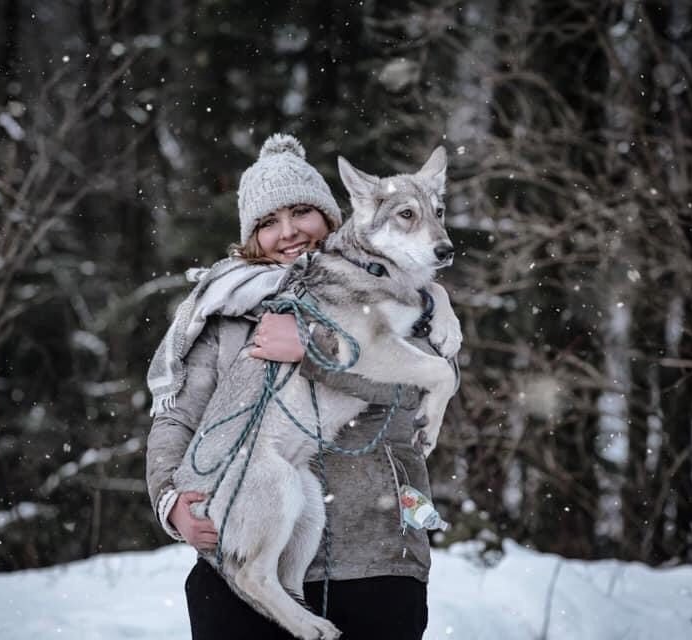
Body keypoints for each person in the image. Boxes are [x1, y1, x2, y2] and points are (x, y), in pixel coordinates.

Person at [145, 134, 459, 639]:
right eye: (269, 223)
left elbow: (418, 389)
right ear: (251, 236)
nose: (288, 233)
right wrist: (170, 500)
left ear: (334, 216)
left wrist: (314, 349)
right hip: (241, 561)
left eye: (301, 213)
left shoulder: (402, 290)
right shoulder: (222, 311)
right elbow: (175, 417)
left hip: (373, 555)